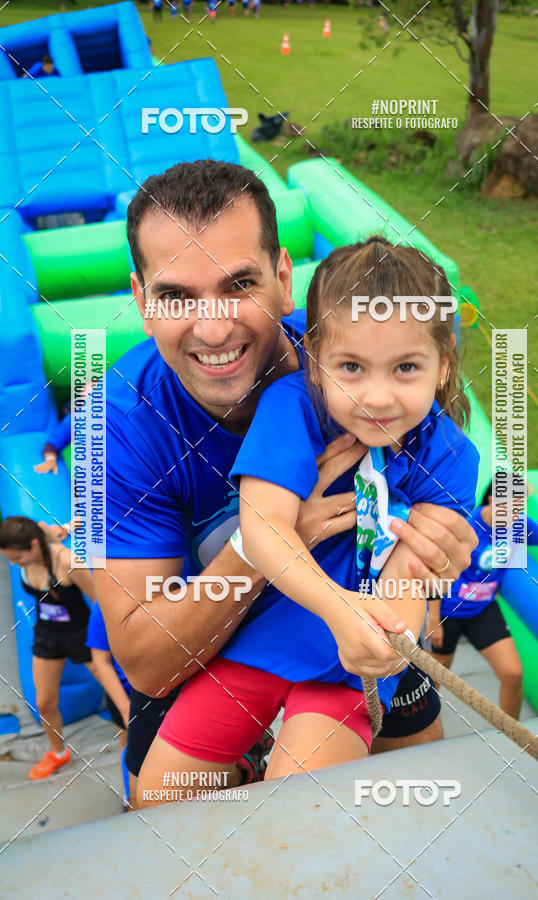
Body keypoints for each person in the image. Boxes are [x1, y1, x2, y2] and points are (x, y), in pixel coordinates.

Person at [94, 159, 478, 807]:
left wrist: (430, 573)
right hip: (204, 647)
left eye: (238, 283)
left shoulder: (362, 349)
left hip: (355, 639)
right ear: (140, 301)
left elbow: (434, 520)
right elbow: (147, 664)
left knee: (400, 812)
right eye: (176, 296)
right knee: (157, 821)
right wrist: (264, 541)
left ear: (282, 279)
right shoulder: (117, 428)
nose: (213, 329)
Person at [428, 478, 538, 719]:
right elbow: (437, 569)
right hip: (448, 611)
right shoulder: (467, 526)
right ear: (493, 501)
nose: (517, 514)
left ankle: (510, 733)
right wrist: (433, 617)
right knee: (436, 677)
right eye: (512, 508)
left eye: (520, 508)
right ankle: (428, 723)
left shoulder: (517, 525)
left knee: (513, 674)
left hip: (482, 610)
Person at [0, 517, 97, 779]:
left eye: (17, 557)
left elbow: (98, 599)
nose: (12, 563)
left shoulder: (65, 562)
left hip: (81, 632)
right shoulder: (33, 541)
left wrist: (66, 528)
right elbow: (44, 528)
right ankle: (58, 753)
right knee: (44, 702)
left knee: (120, 690)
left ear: (32, 545)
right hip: (47, 634)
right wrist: (63, 528)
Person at [86, 602, 131, 752]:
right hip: (124, 693)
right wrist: (125, 709)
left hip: (171, 695)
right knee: (128, 746)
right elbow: (101, 660)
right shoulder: (104, 607)